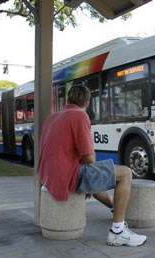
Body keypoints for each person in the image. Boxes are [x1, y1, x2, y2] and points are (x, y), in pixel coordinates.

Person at [38, 85, 147, 247]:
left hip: (49, 175)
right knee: (125, 173)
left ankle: (114, 208)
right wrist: (91, 174)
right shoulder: (79, 116)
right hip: (67, 176)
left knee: (96, 176)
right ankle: (118, 231)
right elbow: (89, 158)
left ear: (68, 99)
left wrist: (92, 178)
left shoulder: (52, 118)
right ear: (88, 103)